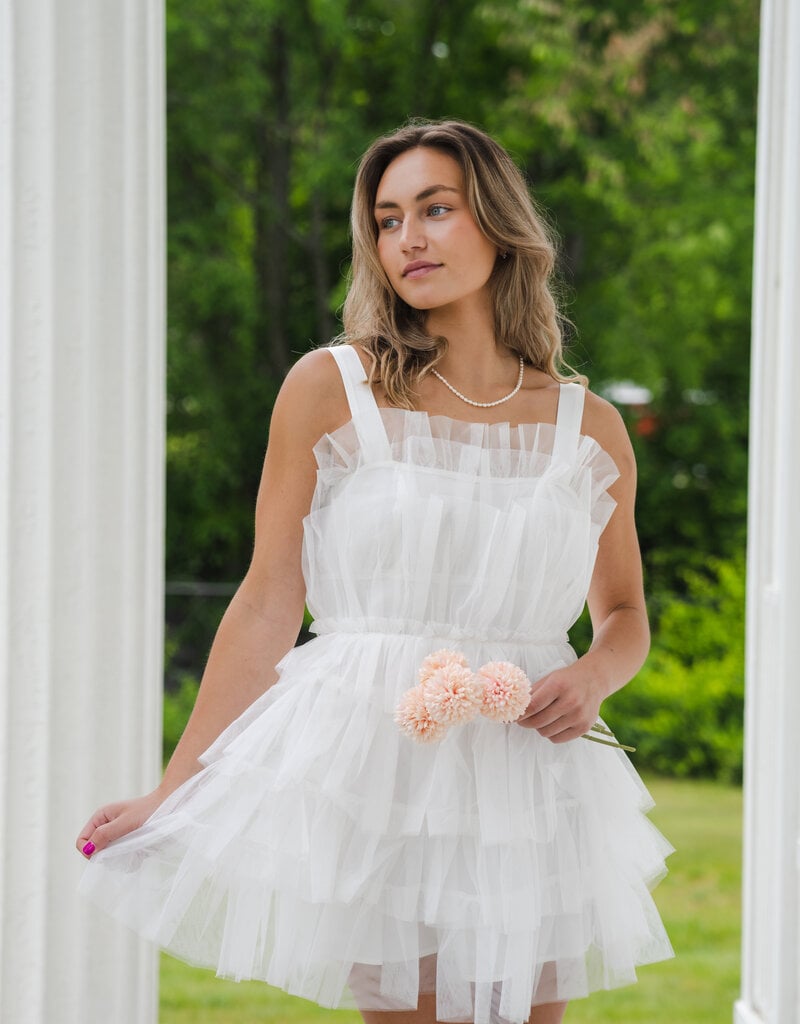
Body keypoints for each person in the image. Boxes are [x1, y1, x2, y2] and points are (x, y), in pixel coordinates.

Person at [76, 119, 673, 1024]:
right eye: (388, 220)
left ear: (498, 223)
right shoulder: (330, 387)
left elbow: (624, 612)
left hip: (532, 779)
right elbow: (271, 597)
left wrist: (594, 676)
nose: (409, 239)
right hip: (377, 773)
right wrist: (176, 787)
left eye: (436, 209)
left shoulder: (587, 428)